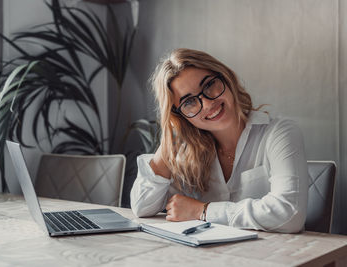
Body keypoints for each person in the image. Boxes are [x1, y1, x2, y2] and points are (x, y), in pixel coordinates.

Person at [130, 48, 309, 233]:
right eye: (189, 102)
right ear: (181, 116)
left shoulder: (279, 133)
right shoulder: (187, 152)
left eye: (209, 86)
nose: (207, 104)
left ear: (225, 78)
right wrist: (168, 138)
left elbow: (290, 214)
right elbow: (142, 207)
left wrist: (202, 211)